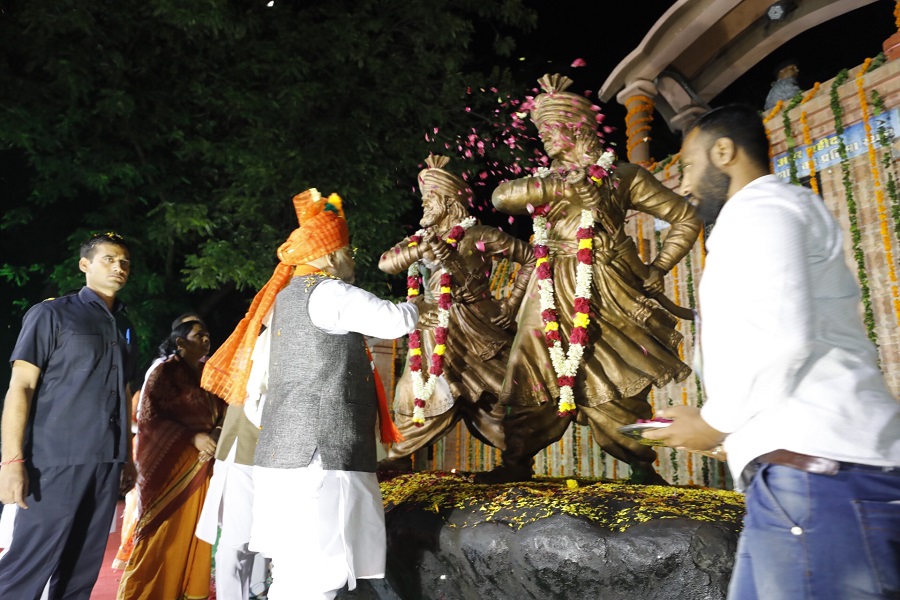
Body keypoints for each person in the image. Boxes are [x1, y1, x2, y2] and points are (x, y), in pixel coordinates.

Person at [646, 104, 900, 599]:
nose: (685, 183)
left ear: (724, 152)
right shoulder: (763, 215)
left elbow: (782, 338)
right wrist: (728, 432)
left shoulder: (763, 209)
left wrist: (714, 422)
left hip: (822, 480)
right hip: (800, 481)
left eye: (689, 166)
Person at [482, 73, 702, 484]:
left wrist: (658, 267)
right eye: (540, 131)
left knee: (614, 379)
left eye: (550, 129)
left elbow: (686, 217)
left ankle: (641, 467)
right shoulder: (546, 183)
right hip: (547, 288)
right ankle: (514, 464)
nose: (545, 139)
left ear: (576, 128)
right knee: (529, 371)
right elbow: (501, 196)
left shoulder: (622, 177)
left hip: (604, 287)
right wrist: (566, 192)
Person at [202, 189, 418, 599]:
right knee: (321, 574)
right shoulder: (329, 292)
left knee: (291, 573)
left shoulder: (283, 300)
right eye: (349, 251)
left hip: (285, 457)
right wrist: (422, 301)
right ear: (332, 253)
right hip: (321, 457)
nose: (352, 259)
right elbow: (394, 320)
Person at [0, 231, 139, 599]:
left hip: (106, 461)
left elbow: (124, 392)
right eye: (108, 259)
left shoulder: (124, 325)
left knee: (82, 568)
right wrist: (11, 460)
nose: (118, 267)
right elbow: (21, 386)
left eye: (124, 261)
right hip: (55, 459)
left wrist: (126, 457)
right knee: (29, 563)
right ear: (84, 265)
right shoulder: (51, 313)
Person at [377, 155, 535, 472]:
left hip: (481, 328)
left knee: (496, 395)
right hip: (435, 327)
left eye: (430, 199)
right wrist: (420, 249)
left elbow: (531, 257)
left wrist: (512, 303)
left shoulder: (481, 236)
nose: (425, 206)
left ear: (449, 203)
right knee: (422, 388)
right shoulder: (420, 241)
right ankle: (398, 457)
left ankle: (516, 461)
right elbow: (385, 262)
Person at [116, 320, 225, 599]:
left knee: (195, 533)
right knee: (164, 534)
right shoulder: (165, 372)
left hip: (202, 465)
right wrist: (193, 437)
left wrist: (215, 431)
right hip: (170, 468)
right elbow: (150, 418)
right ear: (180, 342)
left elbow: (222, 411)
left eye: (207, 335)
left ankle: (186, 591)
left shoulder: (207, 374)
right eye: (198, 335)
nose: (205, 340)